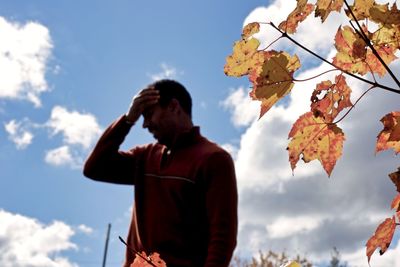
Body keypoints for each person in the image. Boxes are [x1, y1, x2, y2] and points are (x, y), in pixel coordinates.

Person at [83, 79, 238, 267]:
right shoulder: (144, 157)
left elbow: (222, 238)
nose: (145, 124)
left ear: (173, 106)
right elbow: (95, 168)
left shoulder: (214, 159)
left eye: (148, 114)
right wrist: (127, 119)